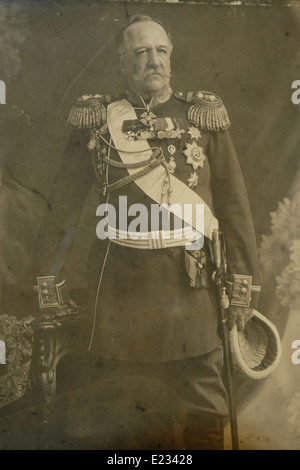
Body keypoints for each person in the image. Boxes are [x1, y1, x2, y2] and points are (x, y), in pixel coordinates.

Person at [34, 15, 261, 450]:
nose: (152, 60)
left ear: (171, 56)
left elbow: (234, 208)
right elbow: (63, 207)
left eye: (160, 51)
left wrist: (243, 287)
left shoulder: (202, 117)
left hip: (191, 296)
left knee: (204, 421)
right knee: (127, 421)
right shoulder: (97, 121)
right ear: (122, 62)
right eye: (140, 52)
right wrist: (48, 275)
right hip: (122, 293)